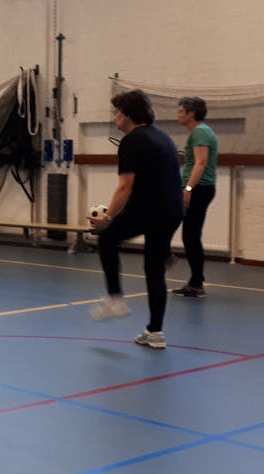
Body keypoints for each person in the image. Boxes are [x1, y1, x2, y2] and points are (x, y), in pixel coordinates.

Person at [88, 90, 183, 350]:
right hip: (172, 211)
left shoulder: (132, 141)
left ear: (127, 114)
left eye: (117, 112)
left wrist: (108, 218)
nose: (115, 117)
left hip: (150, 210)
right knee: (154, 270)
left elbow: (125, 187)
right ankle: (155, 332)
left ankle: (115, 299)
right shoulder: (162, 137)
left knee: (107, 238)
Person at [172, 96, 218, 298]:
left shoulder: (200, 132)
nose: (178, 115)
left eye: (181, 111)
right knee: (189, 234)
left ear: (191, 113)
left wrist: (188, 189)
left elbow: (201, 163)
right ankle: (195, 281)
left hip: (199, 190)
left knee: (190, 236)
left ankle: (197, 283)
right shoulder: (199, 132)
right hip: (199, 189)